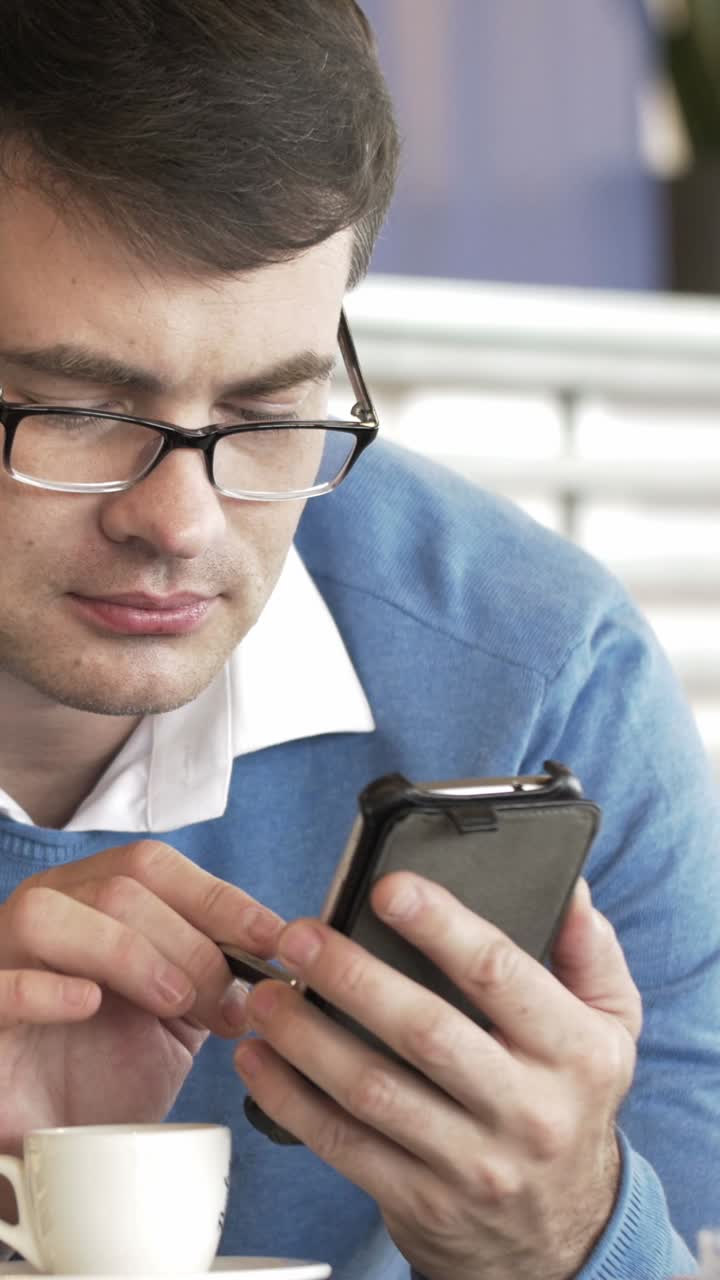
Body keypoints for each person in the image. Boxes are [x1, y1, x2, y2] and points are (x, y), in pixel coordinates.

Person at [0, 2, 717, 1277]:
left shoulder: (545, 678)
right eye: (73, 408)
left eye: (270, 407)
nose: (181, 517)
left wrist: (564, 1234)